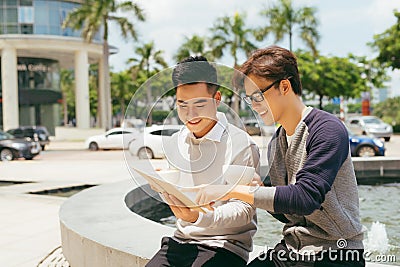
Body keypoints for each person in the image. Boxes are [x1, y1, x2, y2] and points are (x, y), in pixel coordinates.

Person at [196, 46, 365, 266]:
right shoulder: (278, 141)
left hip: (336, 253)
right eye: (250, 100)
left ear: (284, 86)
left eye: (257, 96)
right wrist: (260, 189)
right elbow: (290, 213)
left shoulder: (327, 129)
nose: (254, 106)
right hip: (293, 249)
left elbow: (306, 198)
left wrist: (237, 191)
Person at [145, 56, 260, 267]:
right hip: (181, 239)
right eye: (182, 105)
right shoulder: (175, 141)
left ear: (217, 98)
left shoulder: (241, 144)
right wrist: (163, 186)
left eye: (199, 104)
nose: (190, 115)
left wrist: (198, 217)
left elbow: (244, 211)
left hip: (225, 246)